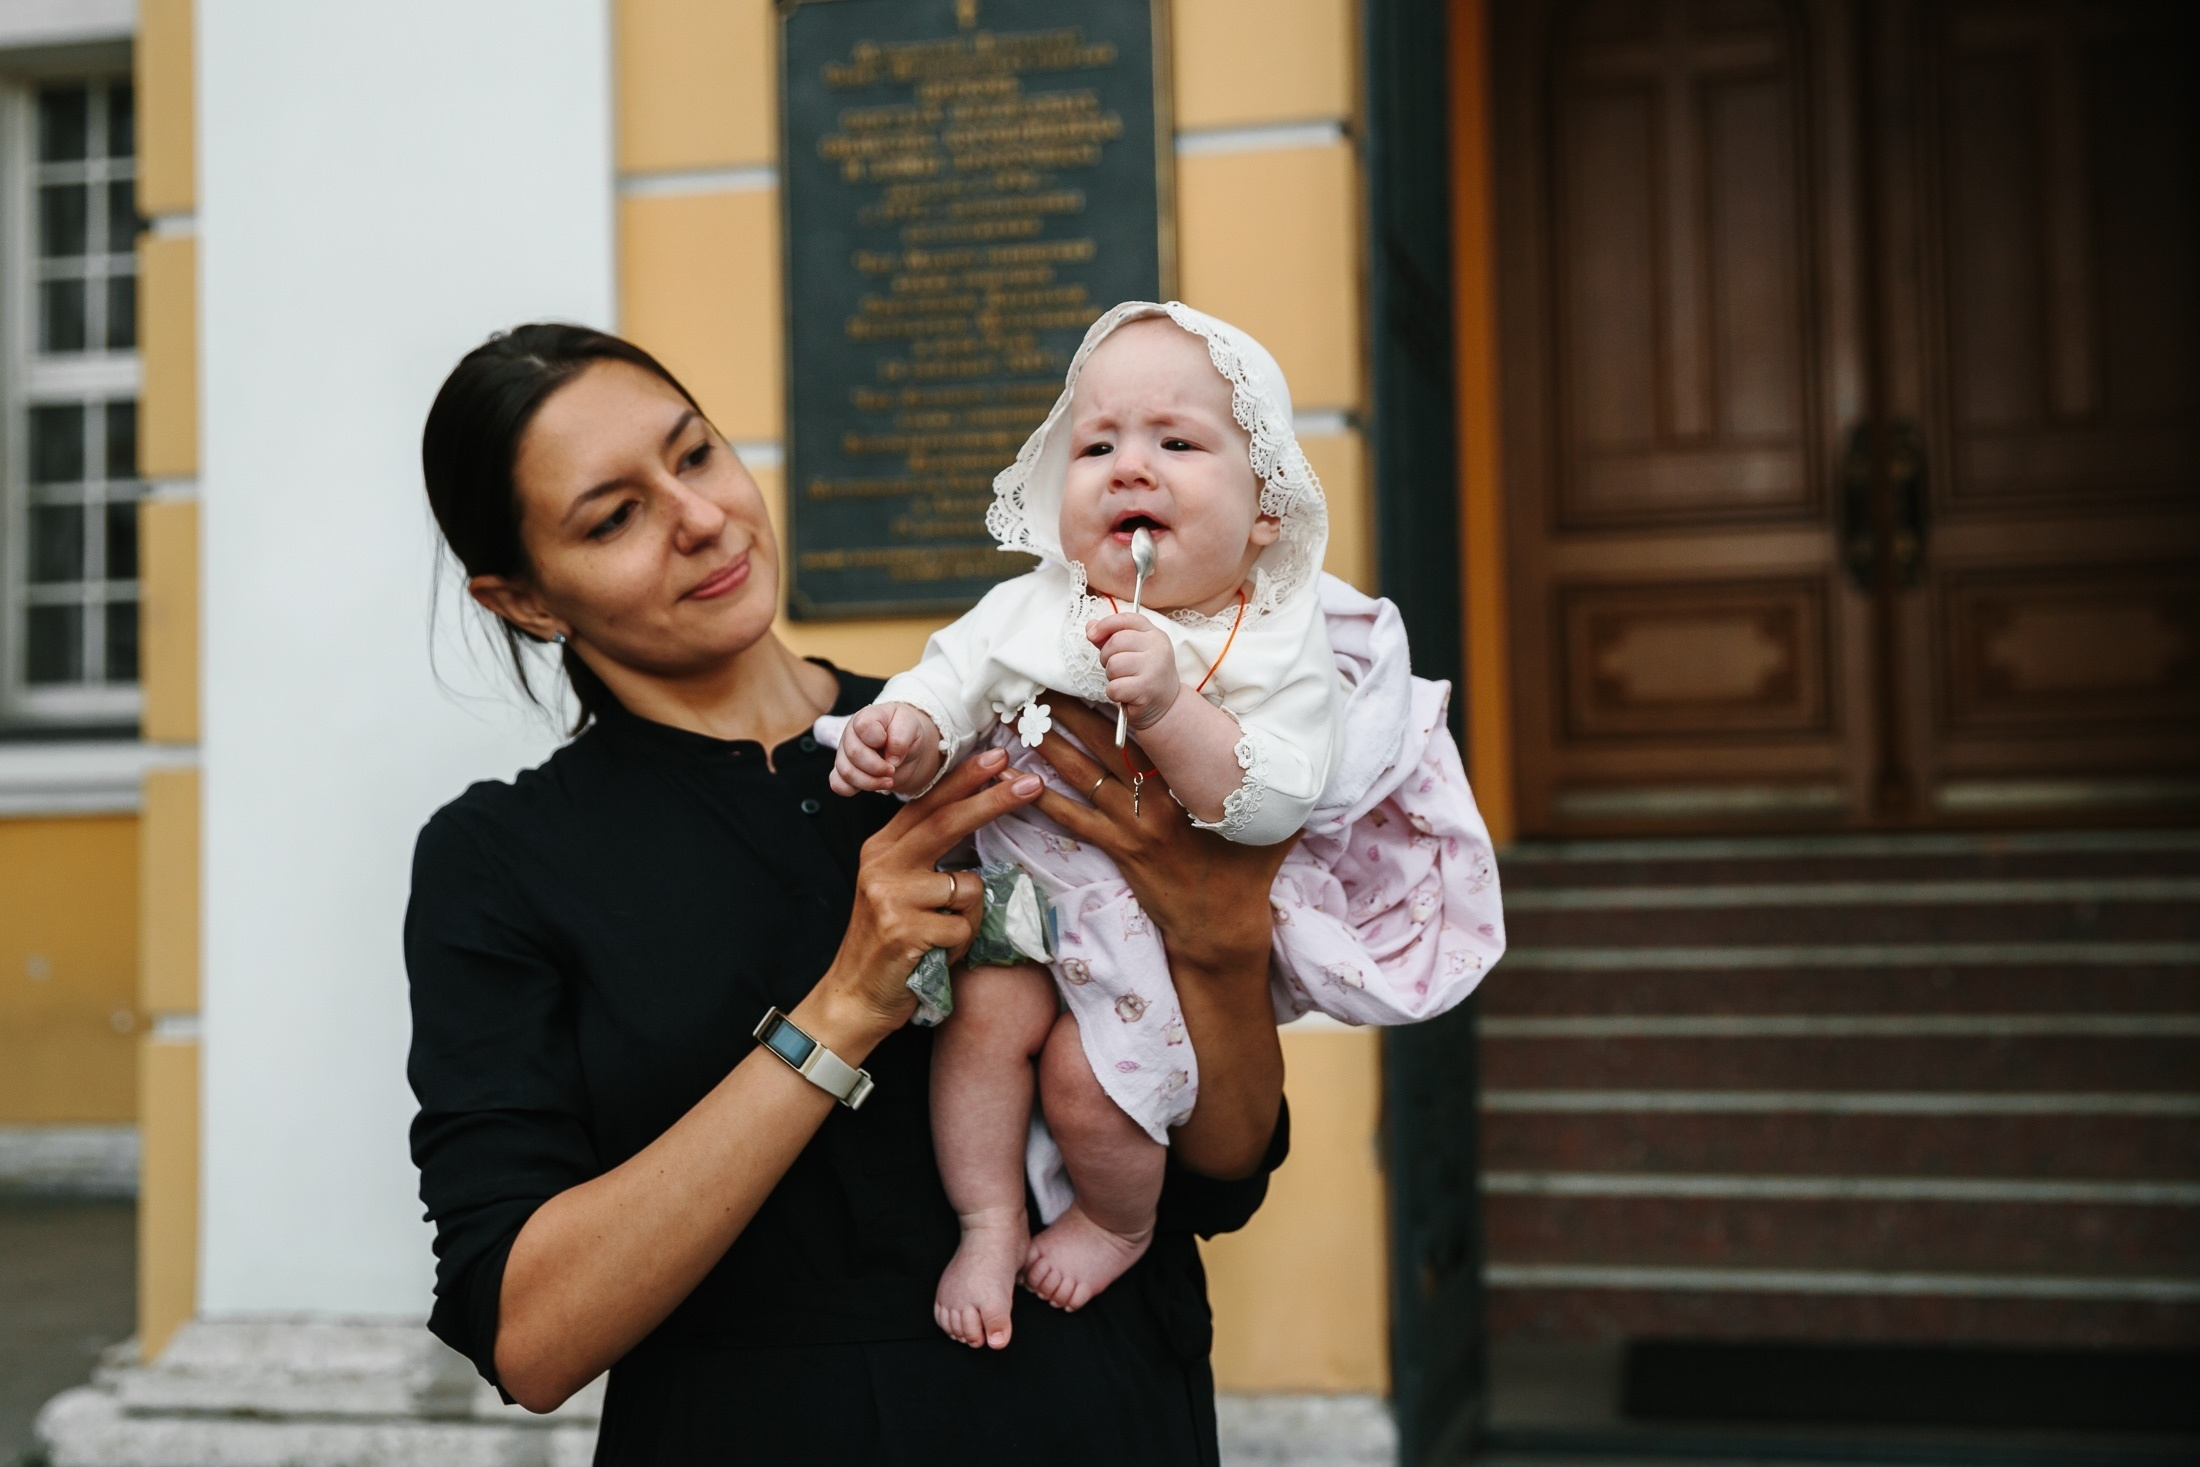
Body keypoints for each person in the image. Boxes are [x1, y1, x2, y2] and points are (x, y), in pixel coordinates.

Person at [405, 323, 1294, 1466]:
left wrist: (1219, 947)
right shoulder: (503, 859)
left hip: (1101, 1405)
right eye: (613, 517)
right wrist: (844, 1006)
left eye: (695, 455)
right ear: (526, 599)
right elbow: (528, 1338)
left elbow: (1223, 1173)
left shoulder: (1004, 729)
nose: (700, 519)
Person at [829, 303, 1504, 1354]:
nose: (1129, 468)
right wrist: (908, 734)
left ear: (1266, 511)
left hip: (1154, 926)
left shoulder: (1281, 639)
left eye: (1176, 442)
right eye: (1097, 445)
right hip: (1028, 885)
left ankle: (1113, 1219)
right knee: (985, 1025)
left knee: (1090, 1085)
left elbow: (1272, 796)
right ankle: (988, 1218)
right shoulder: (1042, 605)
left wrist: (1171, 712)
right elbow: (953, 677)